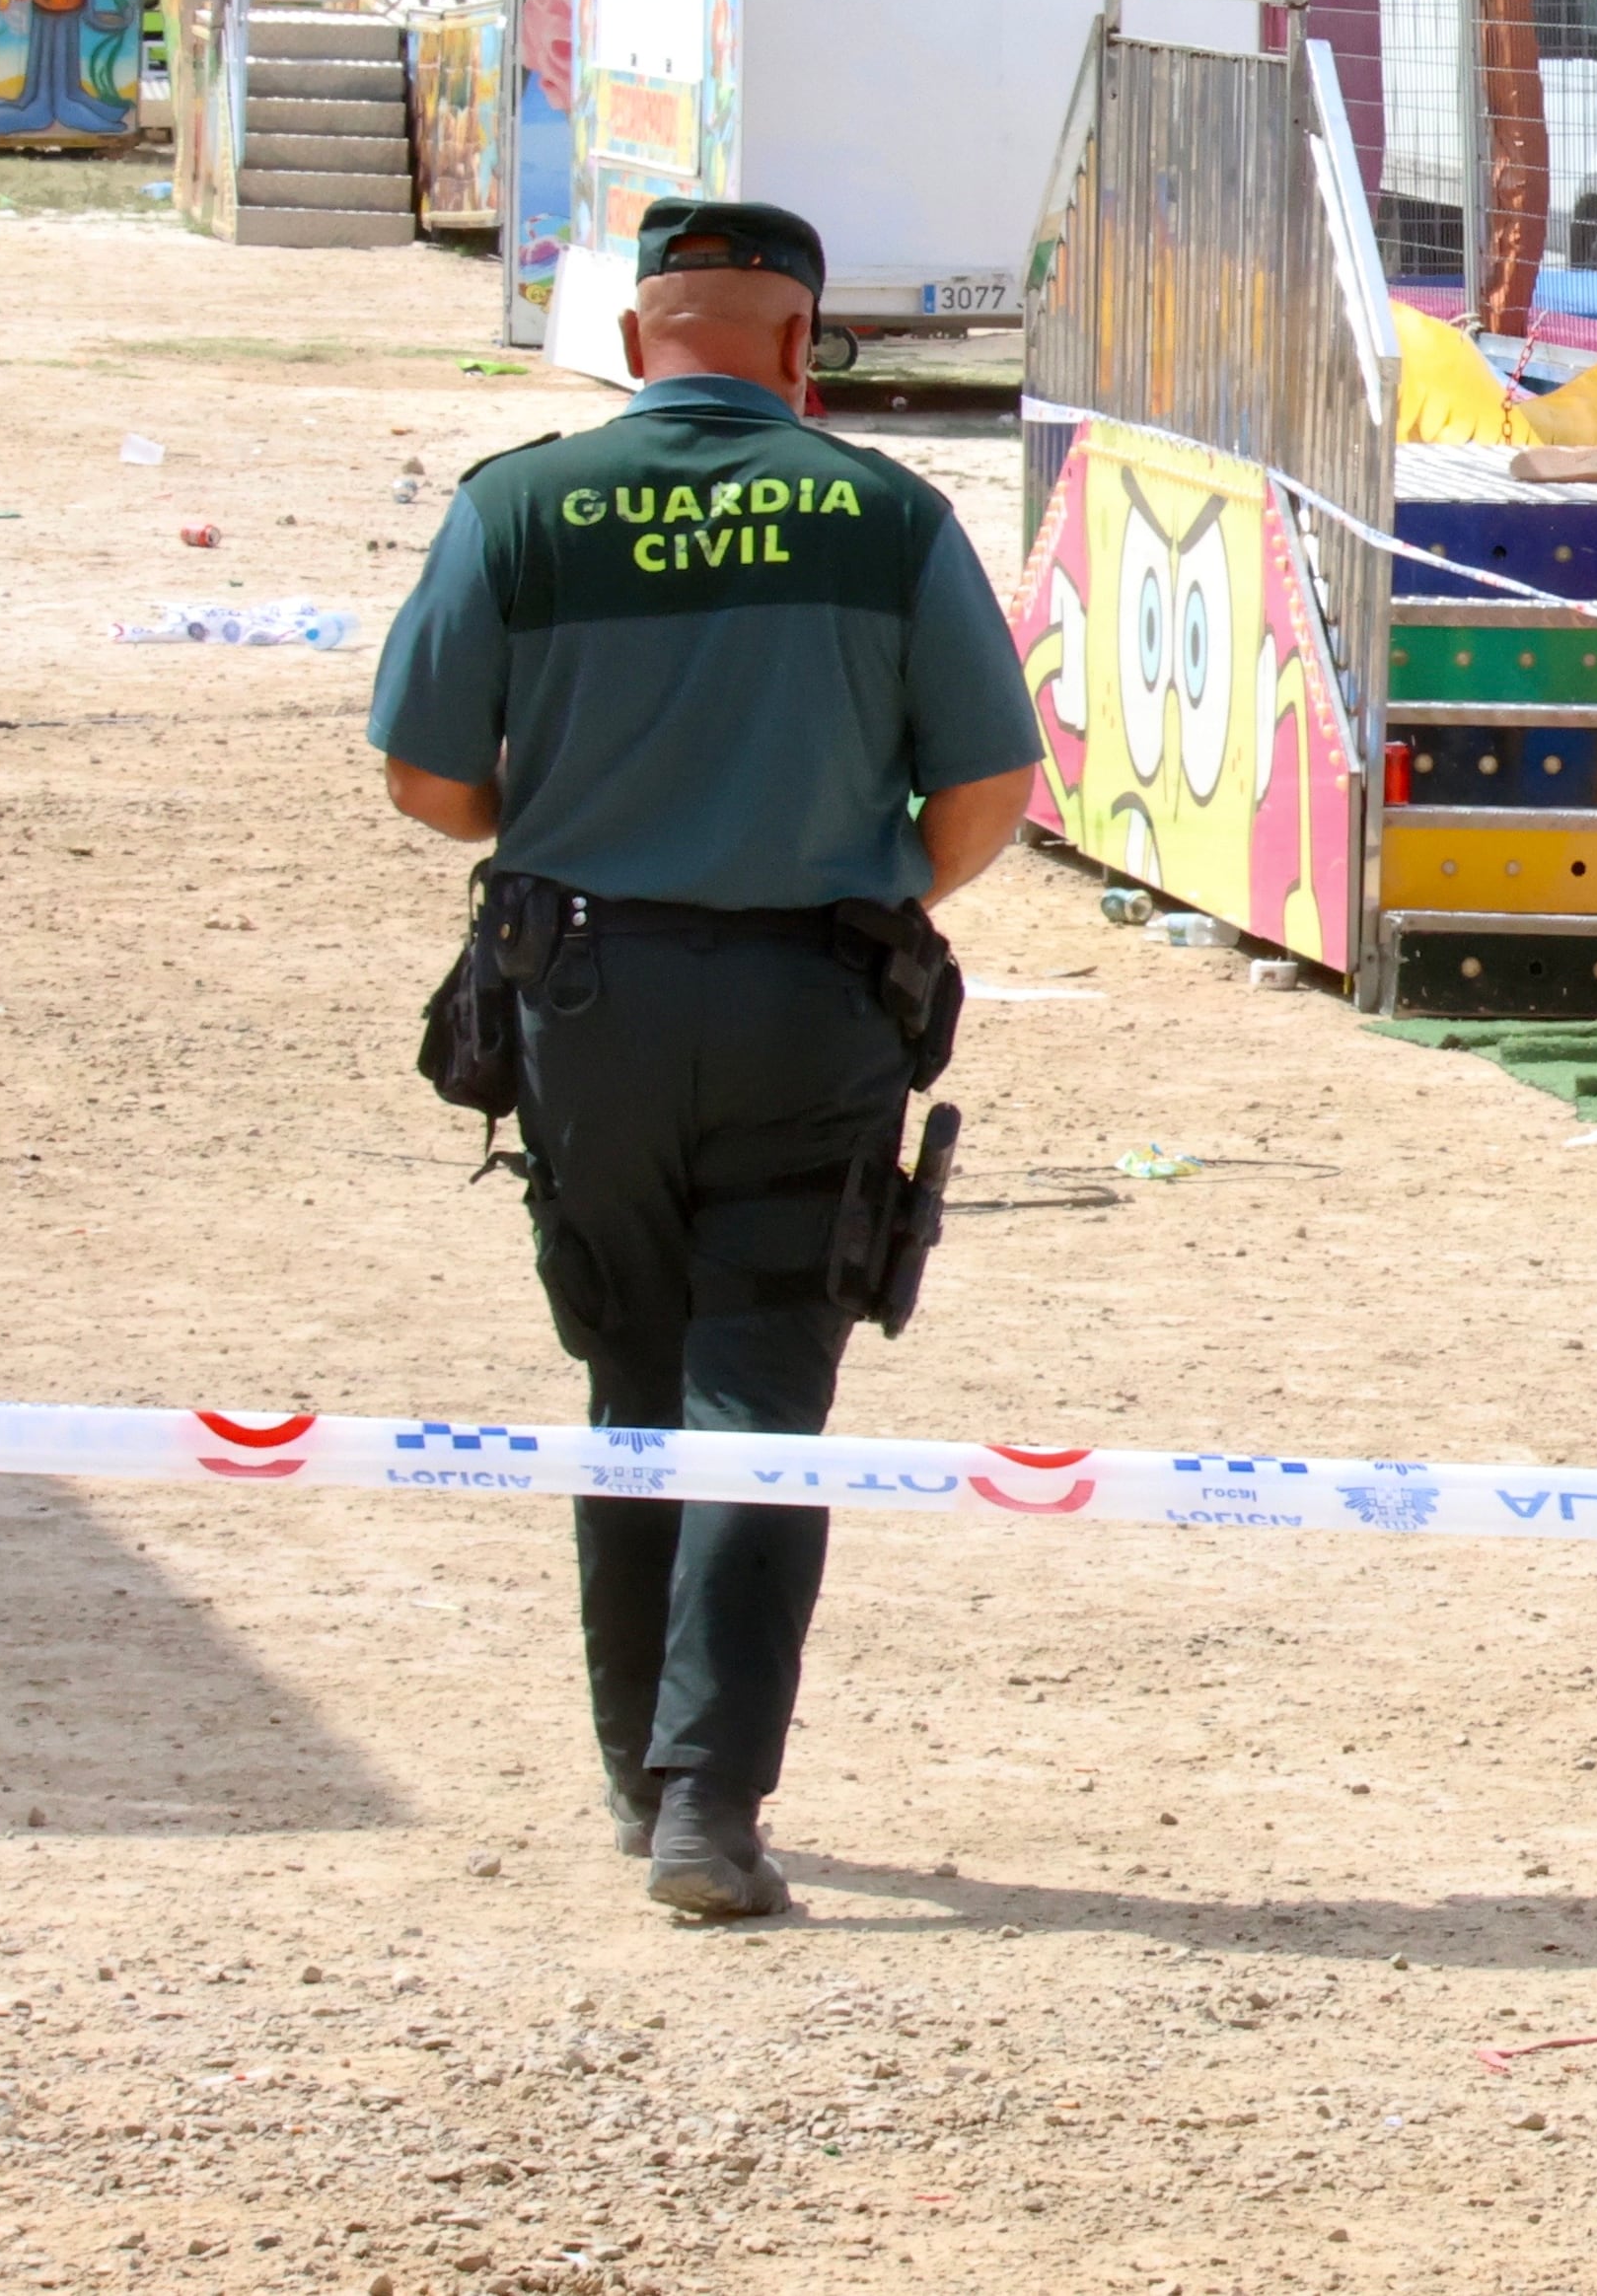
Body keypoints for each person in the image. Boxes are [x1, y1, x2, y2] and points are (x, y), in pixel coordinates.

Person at [369, 198, 1042, 1922]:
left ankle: (628, 1764)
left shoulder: (517, 504)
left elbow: (428, 780)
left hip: (584, 996)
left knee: (630, 1377)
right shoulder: (891, 517)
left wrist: (597, 830)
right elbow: (981, 792)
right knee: (764, 1397)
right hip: (812, 1003)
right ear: (802, 348)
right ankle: (707, 1804)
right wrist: (855, 877)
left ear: (629, 335)